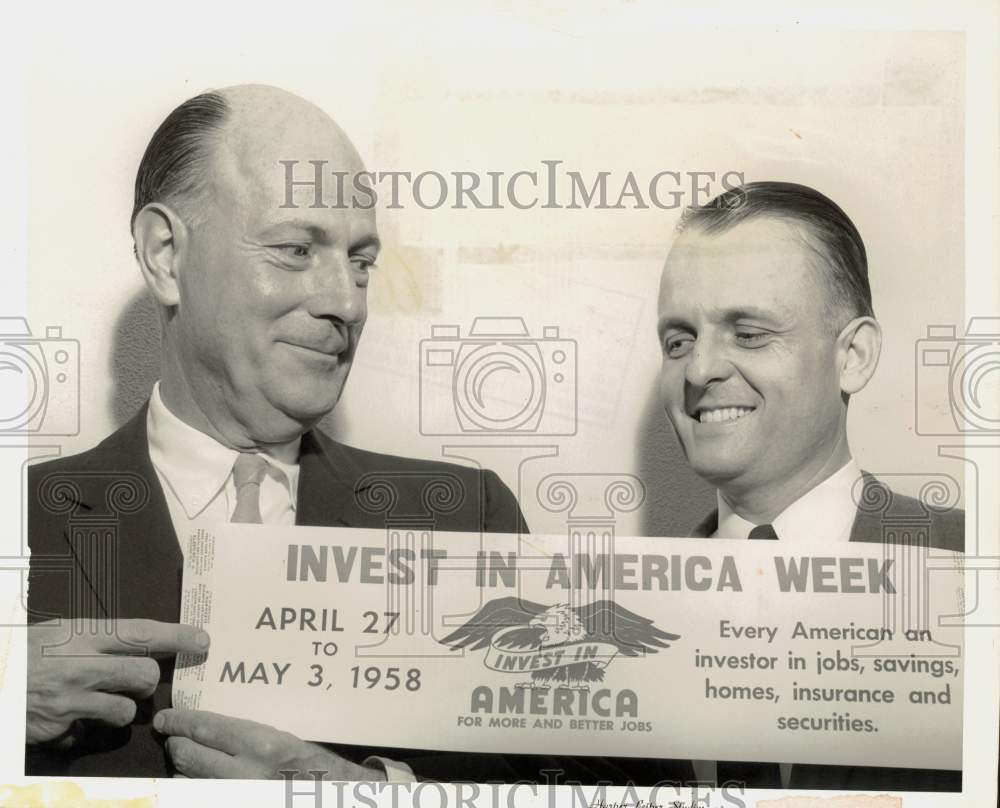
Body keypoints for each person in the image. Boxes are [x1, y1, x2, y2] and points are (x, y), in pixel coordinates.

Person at [24, 84, 530, 781]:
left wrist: (361, 795)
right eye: (296, 249)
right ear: (166, 255)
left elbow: (578, 786)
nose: (345, 302)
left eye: (361, 261)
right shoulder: (20, 520)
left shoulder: (469, 520)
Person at [656, 180, 963, 791]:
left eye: (749, 333)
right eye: (679, 340)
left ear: (854, 356)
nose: (698, 369)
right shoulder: (616, 608)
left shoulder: (974, 566)